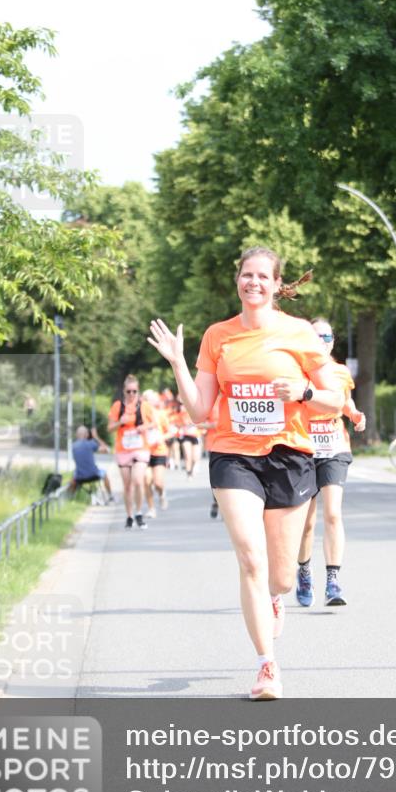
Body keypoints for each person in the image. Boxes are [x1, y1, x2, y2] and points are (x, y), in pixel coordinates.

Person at [148, 246, 344, 700]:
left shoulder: (300, 334)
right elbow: (199, 412)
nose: (252, 282)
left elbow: (333, 401)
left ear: (278, 285)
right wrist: (178, 362)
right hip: (233, 455)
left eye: (261, 276)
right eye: (245, 274)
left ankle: (276, 597)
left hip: (289, 455)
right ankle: (266, 666)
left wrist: (304, 390)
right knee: (250, 559)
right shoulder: (218, 336)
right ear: (237, 280)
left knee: (277, 575)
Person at [296, 319, 366, 609]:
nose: (322, 339)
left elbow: (343, 402)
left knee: (333, 514)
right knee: (307, 523)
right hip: (304, 449)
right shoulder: (298, 371)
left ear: (332, 341)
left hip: (334, 447)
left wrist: (355, 415)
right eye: (316, 335)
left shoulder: (339, 371)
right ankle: (303, 570)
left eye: (326, 335)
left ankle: (333, 580)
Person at [107, 375, 155, 530]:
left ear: (138, 390)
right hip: (123, 449)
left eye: (135, 391)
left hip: (140, 448)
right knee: (127, 486)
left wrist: (144, 427)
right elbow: (109, 428)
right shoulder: (117, 406)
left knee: (138, 481)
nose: (132, 394)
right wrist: (120, 422)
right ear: (124, 391)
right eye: (129, 391)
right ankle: (129, 515)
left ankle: (139, 512)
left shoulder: (144, 406)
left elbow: (154, 422)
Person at [141, 389, 170, 517]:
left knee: (157, 482)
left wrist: (161, 438)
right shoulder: (140, 416)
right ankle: (151, 508)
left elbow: (170, 431)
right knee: (146, 481)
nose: (147, 402)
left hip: (159, 451)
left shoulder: (160, 415)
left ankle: (162, 493)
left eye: (150, 399)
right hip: (145, 451)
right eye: (145, 399)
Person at [70, 425, 114, 501]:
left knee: (72, 478)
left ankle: (71, 498)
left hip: (79, 477)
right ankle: (110, 496)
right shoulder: (91, 444)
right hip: (94, 475)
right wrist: (96, 437)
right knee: (104, 474)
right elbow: (108, 450)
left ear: (77, 435)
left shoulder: (73, 446)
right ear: (86, 434)